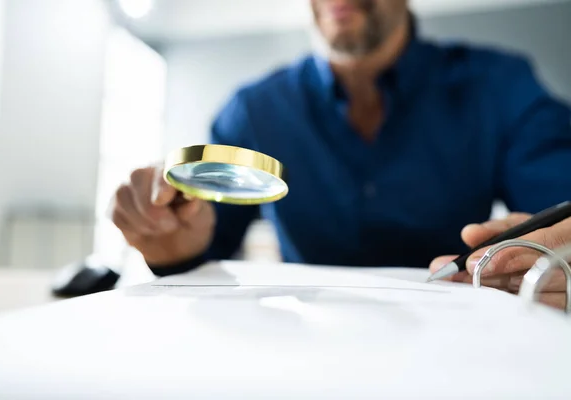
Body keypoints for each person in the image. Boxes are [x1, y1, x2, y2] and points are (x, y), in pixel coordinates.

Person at [111, 0, 571, 309]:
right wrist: (173, 248)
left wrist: (561, 253)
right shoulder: (252, 111)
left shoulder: (502, 87)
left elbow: (560, 214)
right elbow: (201, 250)